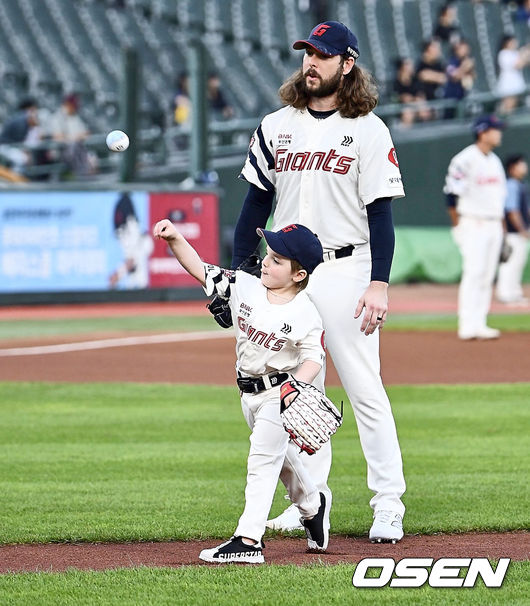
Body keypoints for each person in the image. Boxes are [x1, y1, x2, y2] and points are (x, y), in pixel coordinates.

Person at [229, 21, 407, 544]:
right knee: (297, 391)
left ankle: (388, 501)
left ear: (346, 65)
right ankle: (312, 498)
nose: (312, 62)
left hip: (347, 267)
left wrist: (379, 283)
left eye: (324, 55)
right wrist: (243, 269)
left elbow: (380, 215)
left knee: (363, 386)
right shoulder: (275, 125)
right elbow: (255, 202)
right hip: (287, 272)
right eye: (307, 53)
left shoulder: (369, 130)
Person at [153, 220, 328, 563]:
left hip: (280, 395)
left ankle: (248, 541)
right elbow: (201, 270)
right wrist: (175, 237)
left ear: (299, 275)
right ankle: (312, 505)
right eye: (268, 253)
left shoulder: (306, 313)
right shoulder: (244, 286)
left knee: (262, 460)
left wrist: (297, 388)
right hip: (247, 393)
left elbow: (314, 358)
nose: (266, 260)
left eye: (278, 259)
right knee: (282, 461)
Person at [444, 115, 507, 340]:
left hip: (493, 223)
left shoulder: (495, 161)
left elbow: (499, 200)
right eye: (495, 129)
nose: (499, 133)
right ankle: (467, 324)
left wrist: (503, 230)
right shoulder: (465, 159)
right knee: (474, 273)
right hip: (473, 221)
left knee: (488, 274)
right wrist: (458, 225)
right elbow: (451, 194)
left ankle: (480, 322)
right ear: (483, 132)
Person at [496, 154, 529, 305]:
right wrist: (522, 229)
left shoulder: (520, 185)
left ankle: (514, 293)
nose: (525, 167)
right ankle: (505, 293)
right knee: (509, 263)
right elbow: (511, 210)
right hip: (512, 233)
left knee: (518, 262)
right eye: (521, 164)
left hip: (519, 233)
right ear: (513, 168)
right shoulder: (511, 185)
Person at [47, 93, 95, 176]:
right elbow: (58, 138)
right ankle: (82, 176)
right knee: (74, 147)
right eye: (73, 104)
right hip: (62, 150)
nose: (75, 107)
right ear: (67, 104)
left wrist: (79, 137)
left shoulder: (75, 117)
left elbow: (85, 133)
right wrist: (75, 137)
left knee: (91, 154)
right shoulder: (57, 117)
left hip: (79, 148)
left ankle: (88, 178)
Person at [0, 98, 40, 174]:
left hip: (9, 145)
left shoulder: (22, 118)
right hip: (4, 146)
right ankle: (15, 180)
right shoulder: (22, 120)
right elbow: (18, 142)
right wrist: (26, 153)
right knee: (22, 158)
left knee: (23, 158)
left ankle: (16, 178)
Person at [496, 35, 530, 115]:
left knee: (514, 106)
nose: (515, 43)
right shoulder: (503, 53)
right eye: (513, 41)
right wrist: (525, 51)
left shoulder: (514, 53)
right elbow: (517, 64)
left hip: (515, 84)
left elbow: (525, 62)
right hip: (509, 86)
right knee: (509, 106)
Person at [443, 39, 475, 118]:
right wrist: (464, 67)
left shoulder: (466, 61)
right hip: (452, 96)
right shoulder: (451, 62)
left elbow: (472, 77)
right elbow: (454, 76)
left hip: (464, 95)